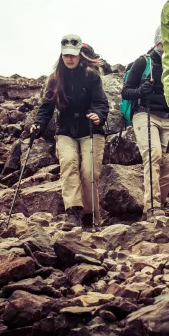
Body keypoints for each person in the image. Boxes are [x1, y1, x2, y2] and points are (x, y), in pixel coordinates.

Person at [32, 34, 109, 230]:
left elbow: (100, 102)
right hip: (66, 129)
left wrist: (98, 115)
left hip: (91, 129)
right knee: (68, 164)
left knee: (89, 171)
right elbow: (46, 107)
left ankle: (90, 215)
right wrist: (38, 125)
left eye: (73, 55)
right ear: (61, 55)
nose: (70, 59)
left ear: (79, 55)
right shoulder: (54, 80)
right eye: (66, 55)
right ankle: (73, 211)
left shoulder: (91, 76)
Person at [121, 26, 169, 220]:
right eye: (165, 42)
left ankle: (157, 207)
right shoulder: (143, 62)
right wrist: (140, 92)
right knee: (153, 154)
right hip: (144, 113)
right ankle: (153, 207)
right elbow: (125, 91)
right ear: (157, 41)